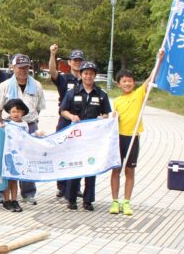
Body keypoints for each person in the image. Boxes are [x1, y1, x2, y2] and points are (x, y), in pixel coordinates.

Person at [110, 49, 164, 216]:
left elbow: (150, 79)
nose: (127, 84)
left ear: (133, 83)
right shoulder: (117, 101)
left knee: (130, 171)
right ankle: (114, 201)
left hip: (133, 138)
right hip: (118, 138)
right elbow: (113, 120)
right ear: (118, 84)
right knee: (116, 170)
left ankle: (126, 202)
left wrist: (159, 60)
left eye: (130, 81)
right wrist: (113, 117)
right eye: (124, 81)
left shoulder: (140, 94)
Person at [59, 61, 111, 211]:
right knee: (75, 167)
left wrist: (103, 118)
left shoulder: (101, 94)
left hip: (93, 139)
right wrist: (71, 116)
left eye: (91, 73)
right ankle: (71, 199)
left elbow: (106, 113)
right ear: (81, 75)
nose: (88, 76)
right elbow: (63, 110)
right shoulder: (72, 92)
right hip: (76, 137)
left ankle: (88, 200)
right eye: (85, 73)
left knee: (90, 167)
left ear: (95, 76)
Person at [0, 53, 46, 205]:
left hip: (29, 125)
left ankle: (28, 193)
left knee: (28, 159)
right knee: (7, 159)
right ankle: (3, 193)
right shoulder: (5, 85)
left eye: (26, 67)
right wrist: (2, 123)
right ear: (13, 67)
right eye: (20, 67)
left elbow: (39, 108)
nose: (23, 70)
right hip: (9, 127)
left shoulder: (37, 85)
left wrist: (31, 122)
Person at [49, 44, 85, 198]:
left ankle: (76, 187)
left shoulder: (87, 79)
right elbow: (52, 71)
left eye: (79, 60)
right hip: (65, 120)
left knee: (78, 154)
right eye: (74, 60)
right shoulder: (64, 78)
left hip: (82, 122)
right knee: (62, 153)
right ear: (69, 62)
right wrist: (52, 54)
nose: (77, 62)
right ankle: (62, 186)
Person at [1, 99, 45, 213]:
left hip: (19, 156)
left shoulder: (25, 124)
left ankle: (14, 200)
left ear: (23, 112)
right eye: (13, 111)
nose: (16, 114)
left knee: (15, 180)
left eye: (18, 111)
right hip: (8, 156)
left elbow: (26, 138)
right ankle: (6, 201)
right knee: (7, 179)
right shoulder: (6, 124)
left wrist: (36, 134)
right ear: (9, 113)